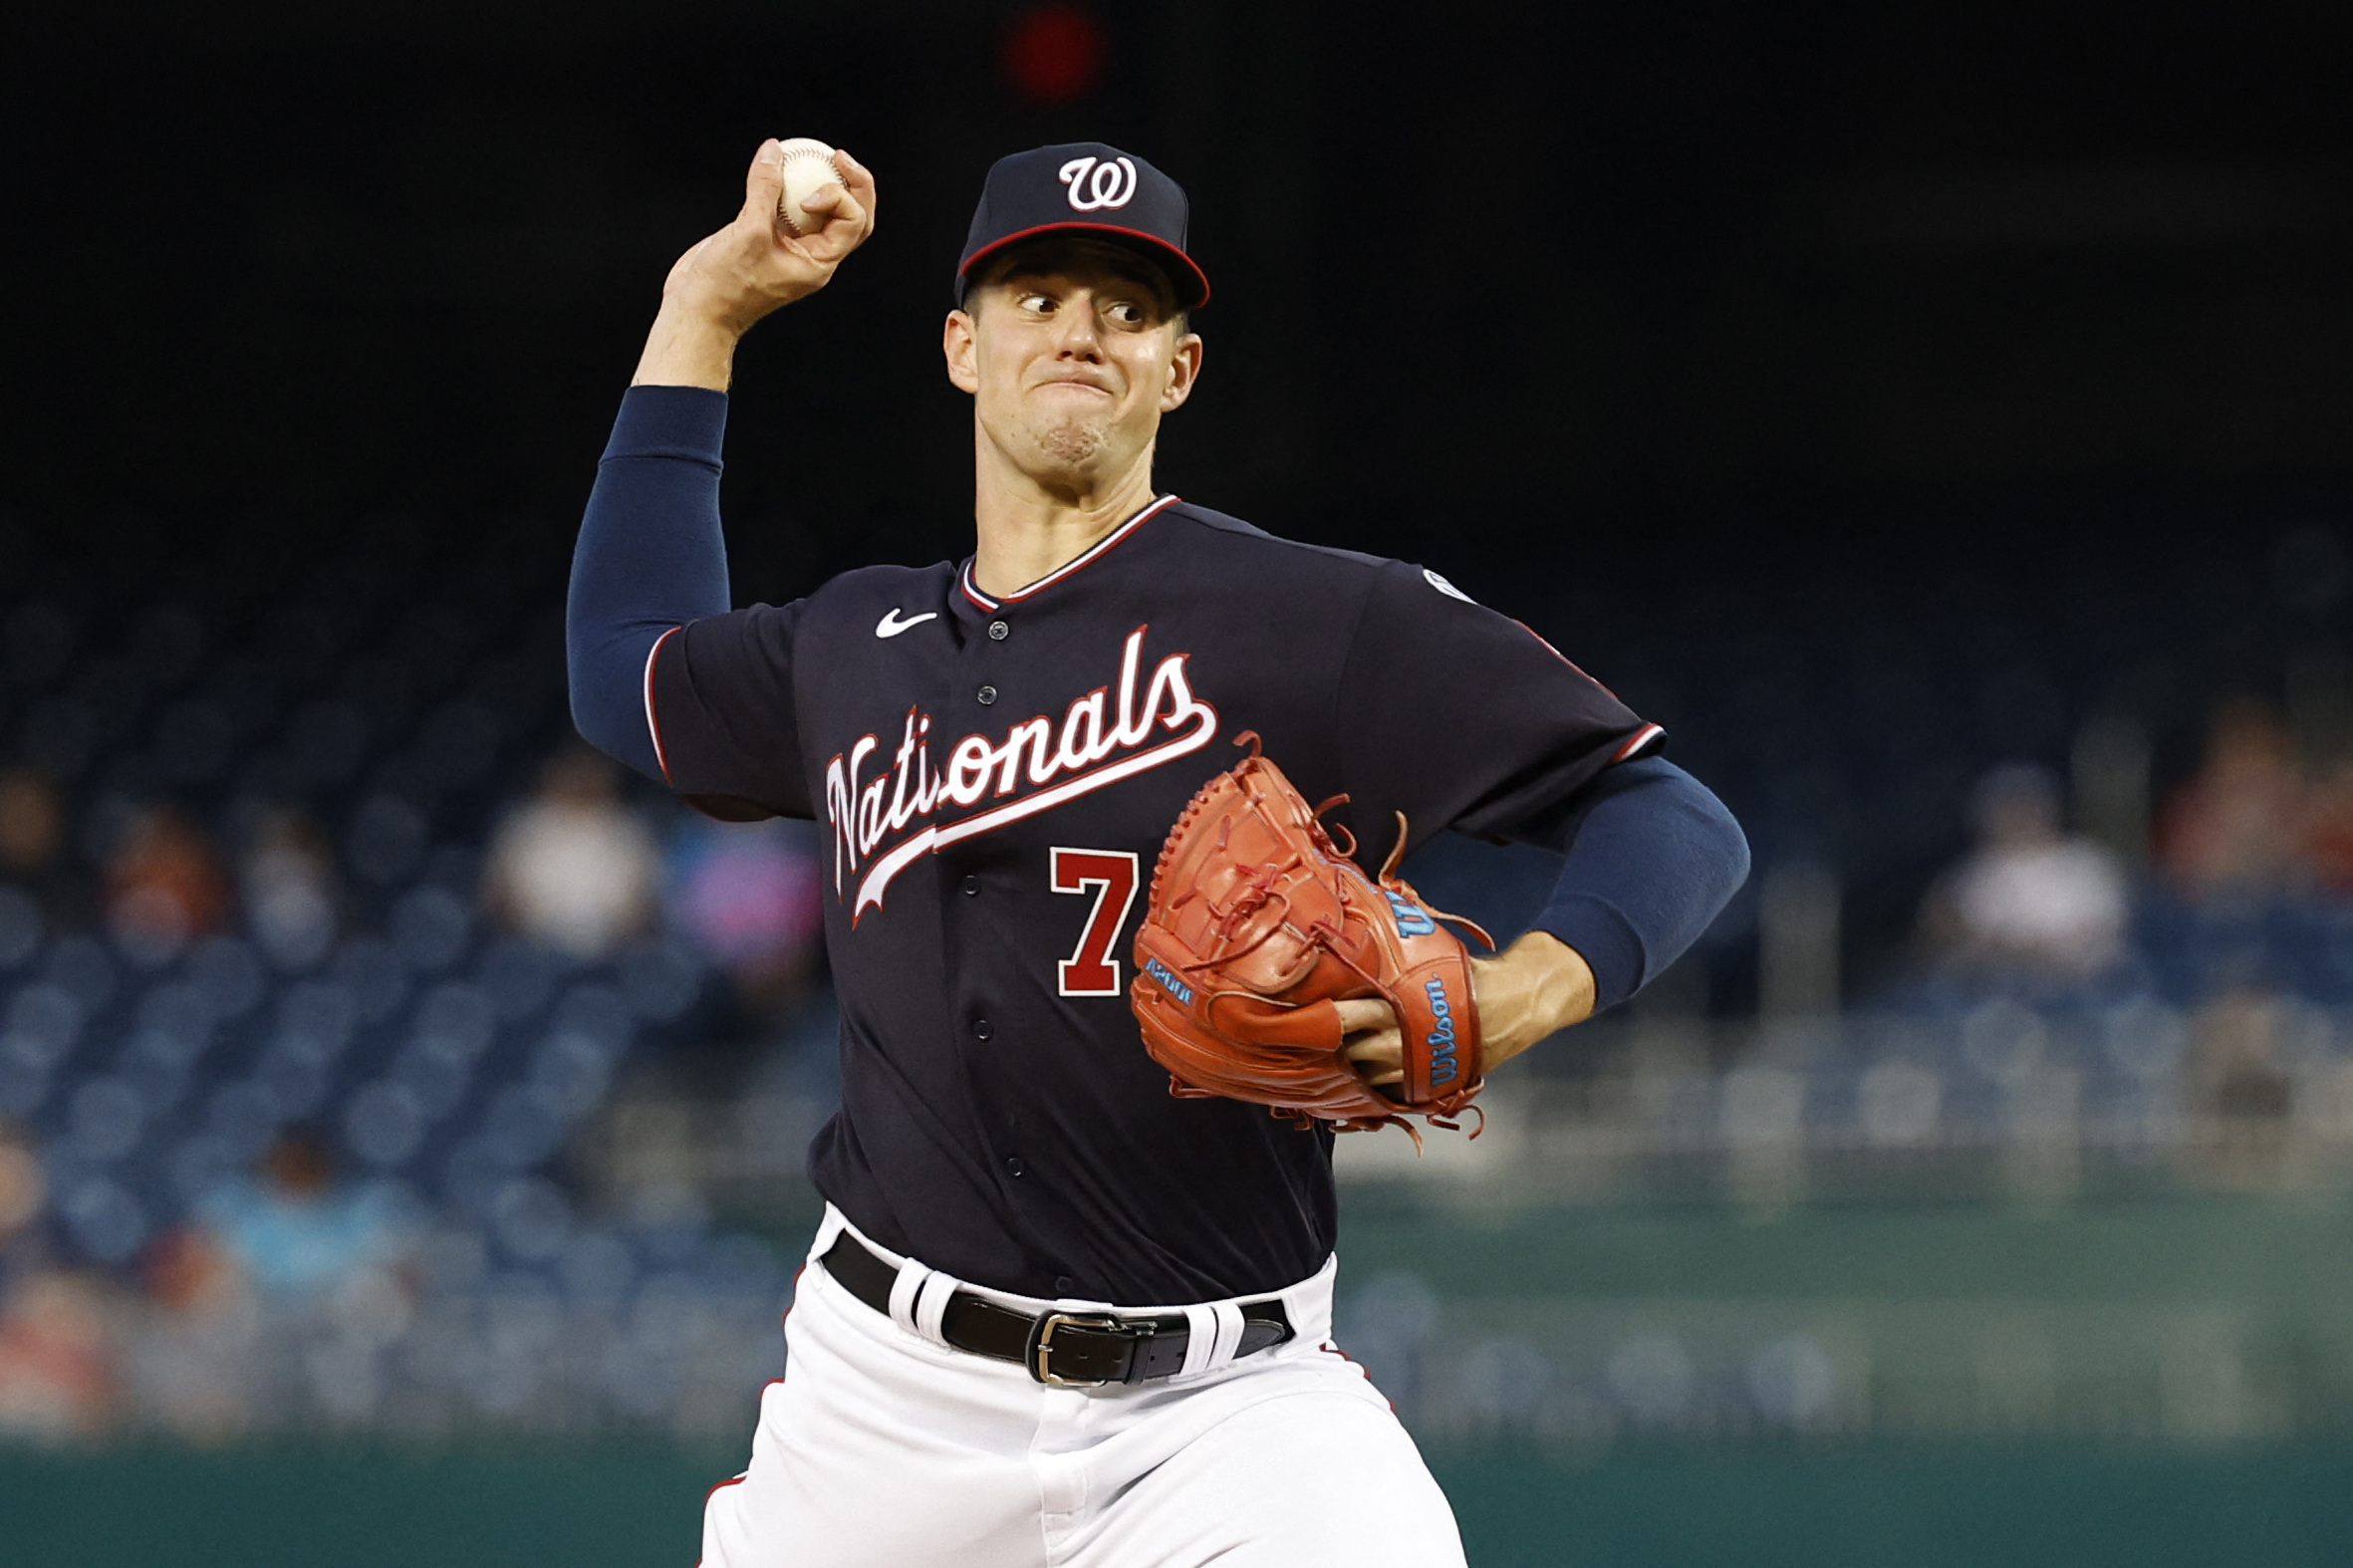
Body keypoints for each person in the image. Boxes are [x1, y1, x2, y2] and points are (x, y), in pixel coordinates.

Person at [568, 140, 1748, 1566]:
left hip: (1228, 1408)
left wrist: (1533, 988)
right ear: (962, 347)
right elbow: (620, 671)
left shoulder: (1315, 617)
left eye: (1128, 307)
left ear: (1177, 371)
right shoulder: (844, 646)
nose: (1079, 328)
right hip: (882, 1404)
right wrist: (706, 306)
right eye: (1036, 292)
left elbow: (1669, 809)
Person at [1921, 763, 2129, 984]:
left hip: (2081, 984)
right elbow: (1953, 937)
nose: (2018, 818)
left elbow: (2105, 933)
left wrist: (2039, 950)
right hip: (2000, 988)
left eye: (2026, 807)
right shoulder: (1972, 874)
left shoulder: (2086, 863)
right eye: (2007, 809)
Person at [482, 745, 660, 961]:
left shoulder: (626, 830)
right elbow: (502, 896)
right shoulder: (526, 825)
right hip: (534, 948)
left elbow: (640, 906)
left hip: (609, 952)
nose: (580, 781)